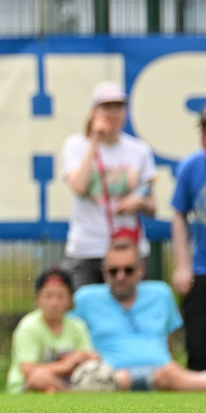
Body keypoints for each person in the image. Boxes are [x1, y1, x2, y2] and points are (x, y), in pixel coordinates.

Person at [72, 238, 206, 391]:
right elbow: (71, 338)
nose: (120, 276)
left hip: (162, 370)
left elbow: (168, 342)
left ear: (141, 270)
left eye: (128, 270)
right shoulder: (85, 298)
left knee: (176, 374)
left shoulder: (161, 293)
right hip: (113, 374)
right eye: (113, 271)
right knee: (168, 376)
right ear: (104, 271)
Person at [61, 81, 156, 288]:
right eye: (106, 107)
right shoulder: (76, 146)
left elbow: (153, 208)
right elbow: (78, 186)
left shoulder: (139, 151)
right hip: (88, 249)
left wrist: (138, 200)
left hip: (128, 251)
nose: (113, 113)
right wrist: (95, 139)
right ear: (93, 111)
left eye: (118, 106)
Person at [170, 100, 206, 371]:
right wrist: (183, 266)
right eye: (204, 132)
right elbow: (179, 214)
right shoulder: (192, 167)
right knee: (198, 354)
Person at [6, 266, 98, 393]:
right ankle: (69, 394)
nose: (54, 303)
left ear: (70, 300)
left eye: (61, 296)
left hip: (64, 380)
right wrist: (66, 365)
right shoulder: (29, 326)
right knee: (38, 377)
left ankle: (59, 391)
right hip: (26, 385)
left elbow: (89, 358)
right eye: (48, 296)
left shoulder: (78, 326)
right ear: (38, 299)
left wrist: (90, 357)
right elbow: (28, 370)